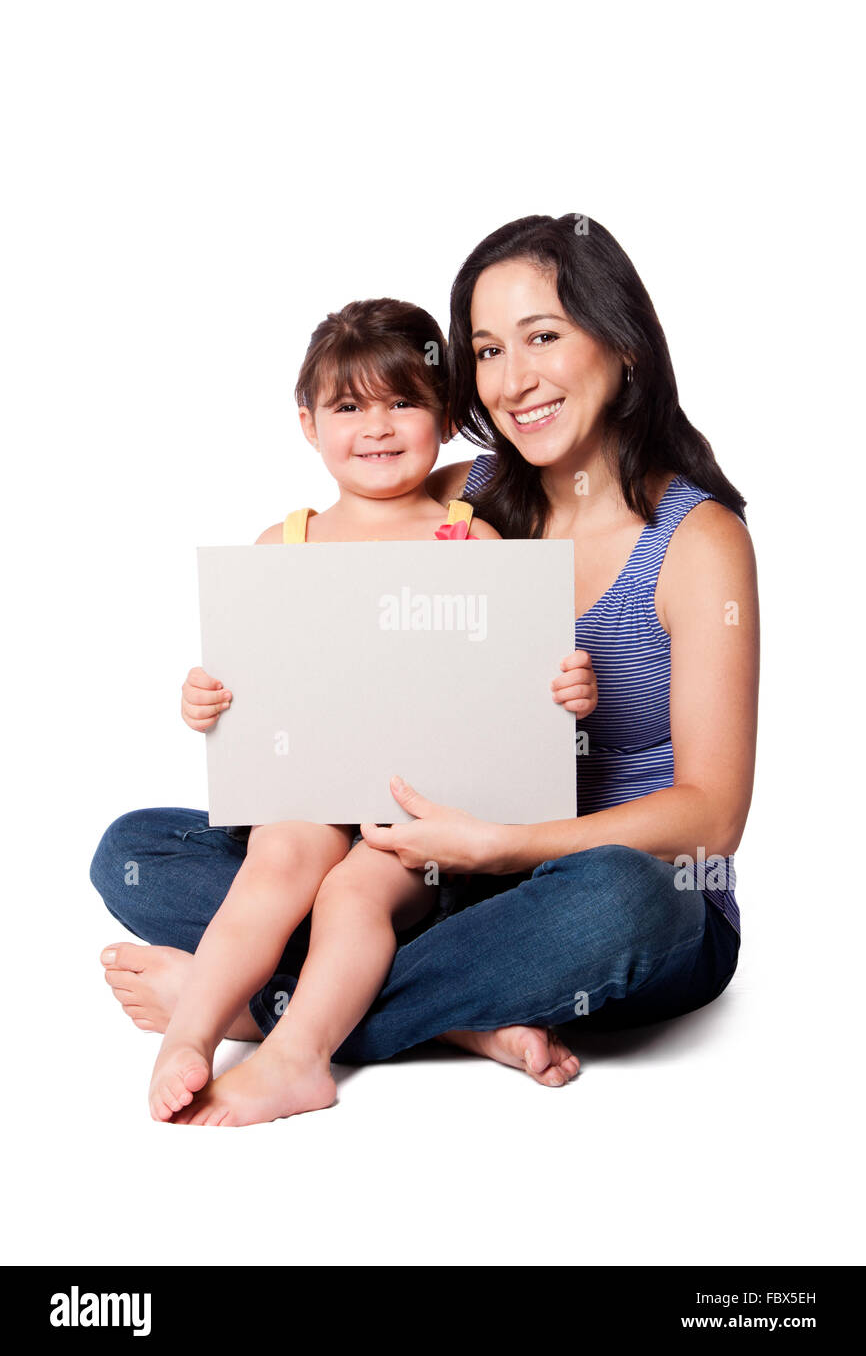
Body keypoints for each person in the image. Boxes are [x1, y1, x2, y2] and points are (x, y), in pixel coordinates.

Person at [92, 213, 757, 1105]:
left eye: (544, 337)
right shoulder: (459, 493)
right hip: (437, 876)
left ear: (624, 343)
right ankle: (454, 1010)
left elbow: (712, 820)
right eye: (485, 350)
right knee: (135, 849)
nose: (514, 380)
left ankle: (272, 1015)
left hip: (589, 891)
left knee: (632, 901)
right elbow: (330, 614)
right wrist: (235, 689)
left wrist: (500, 844)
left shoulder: (698, 541)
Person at [146, 295, 595, 1125]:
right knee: (272, 861)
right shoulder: (283, 546)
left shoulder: (470, 539)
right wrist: (206, 699)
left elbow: (519, 693)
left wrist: (568, 692)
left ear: (447, 418)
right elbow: (250, 690)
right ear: (310, 425)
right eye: (349, 407)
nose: (378, 428)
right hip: (308, 801)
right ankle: (194, 1031)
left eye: (404, 403)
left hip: (420, 823)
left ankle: (299, 1052)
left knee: (353, 894)